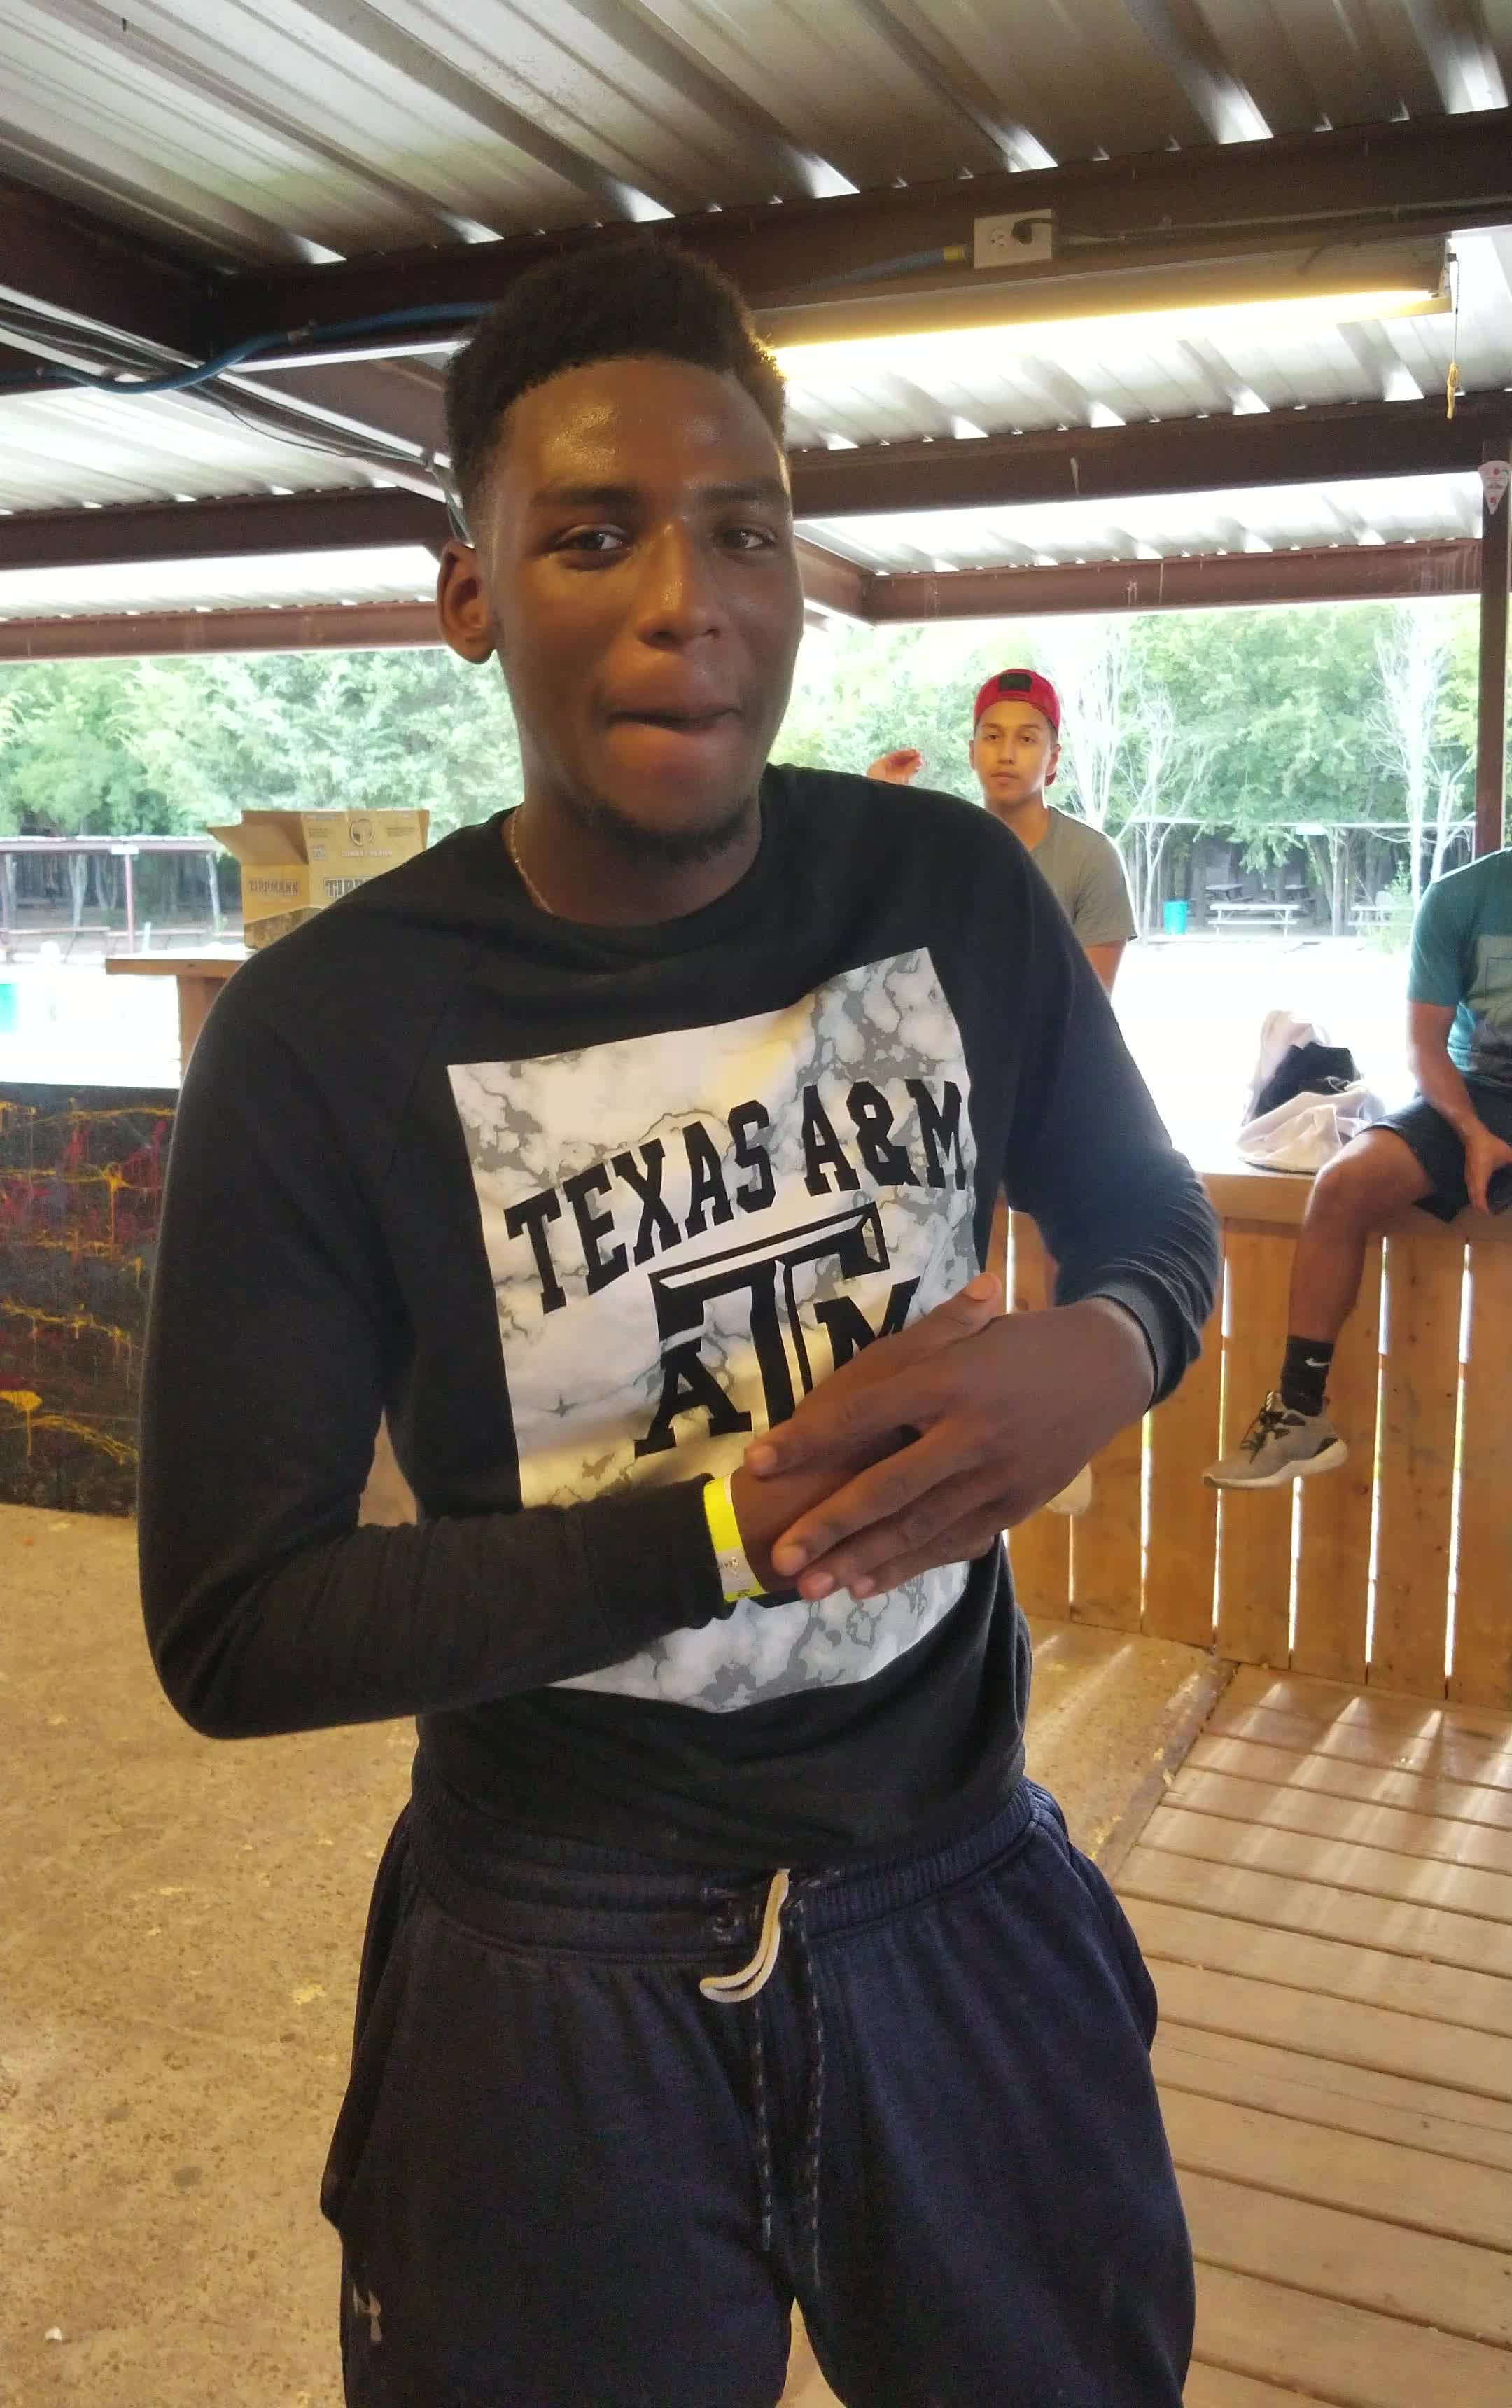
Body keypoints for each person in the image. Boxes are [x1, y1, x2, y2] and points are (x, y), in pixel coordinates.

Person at [139, 239, 1217, 2408]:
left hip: (956, 1878)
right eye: (594, 535)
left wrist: (1102, 1356)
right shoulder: (327, 1034)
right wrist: (732, 1526)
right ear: (471, 592)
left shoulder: (949, 891)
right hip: (557, 1952)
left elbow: (1148, 1226)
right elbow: (240, 1623)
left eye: (743, 532)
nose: (685, 601)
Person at [1208, 845, 1512, 1487]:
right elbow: (1424, 1046)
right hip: (1479, 1093)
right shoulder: (1463, 896)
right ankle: (1299, 1412)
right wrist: (1473, 1133)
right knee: (1343, 1184)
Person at [870, 669, 1138, 989]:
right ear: (972, 752)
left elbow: (1091, 1005)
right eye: (993, 737)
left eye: (1026, 739)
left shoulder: (1091, 857)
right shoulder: (941, 852)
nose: (1006, 755)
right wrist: (882, 807)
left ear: (1053, 759)